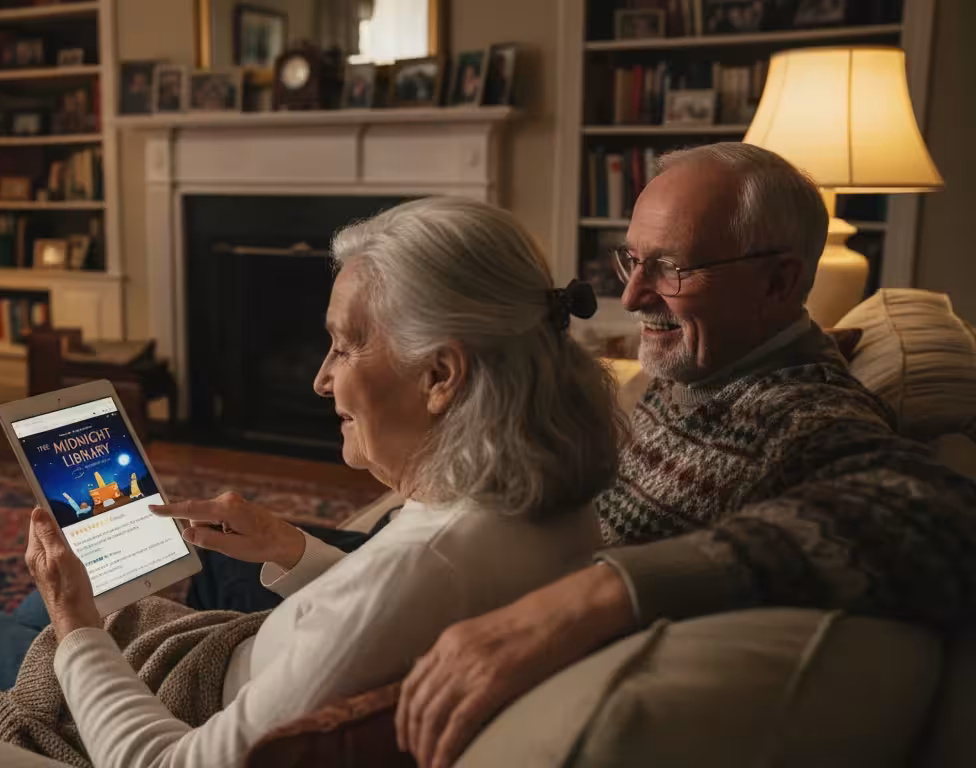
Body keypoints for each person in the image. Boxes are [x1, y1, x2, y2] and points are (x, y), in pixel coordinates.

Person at [0, 197, 625, 767]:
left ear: (440, 375)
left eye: (343, 346)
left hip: (196, 708)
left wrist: (75, 626)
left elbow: (167, 763)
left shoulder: (427, 561)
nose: (319, 378)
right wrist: (292, 548)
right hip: (234, 668)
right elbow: (395, 621)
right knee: (49, 606)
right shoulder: (545, 510)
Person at [394, 142, 976, 768]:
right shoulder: (704, 370)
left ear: (778, 281)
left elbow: (939, 513)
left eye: (671, 269)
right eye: (632, 260)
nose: (634, 296)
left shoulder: (800, 414)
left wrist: (601, 595)